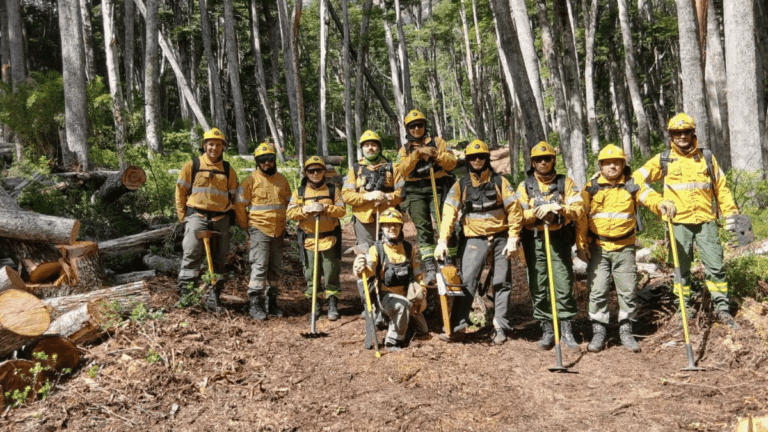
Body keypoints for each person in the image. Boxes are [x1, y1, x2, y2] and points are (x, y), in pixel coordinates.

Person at [634, 113, 740, 328]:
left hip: (706, 222)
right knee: (681, 268)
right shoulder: (663, 159)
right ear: (671, 136)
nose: (682, 136)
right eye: (676, 133)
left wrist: (733, 219)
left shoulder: (707, 157)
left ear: (693, 133)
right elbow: (635, 179)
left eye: (686, 132)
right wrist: (657, 201)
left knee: (716, 266)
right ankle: (684, 308)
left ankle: (722, 309)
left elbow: (722, 188)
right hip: (678, 223)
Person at [575, 145, 677, 352]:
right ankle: (599, 332)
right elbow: (581, 219)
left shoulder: (633, 185)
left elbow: (649, 197)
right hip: (598, 248)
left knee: (628, 290)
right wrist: (581, 244)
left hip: (625, 248)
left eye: (617, 162)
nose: (612, 166)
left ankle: (626, 331)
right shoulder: (590, 188)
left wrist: (662, 204)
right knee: (598, 290)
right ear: (601, 166)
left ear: (623, 164)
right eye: (607, 163)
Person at [434, 139, 523, 344]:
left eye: (481, 156)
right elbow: (448, 213)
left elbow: (515, 211)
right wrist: (442, 240)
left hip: (501, 237)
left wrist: (513, 238)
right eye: (473, 157)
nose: (477, 160)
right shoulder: (461, 184)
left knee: (502, 282)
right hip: (474, 238)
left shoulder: (501, 182)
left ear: (486, 159)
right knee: (468, 281)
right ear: (467, 160)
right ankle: (456, 326)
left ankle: (500, 326)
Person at [516, 141, 584, 350]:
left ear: (554, 160)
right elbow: (517, 214)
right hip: (534, 240)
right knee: (538, 283)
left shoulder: (566, 183)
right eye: (538, 159)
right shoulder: (525, 185)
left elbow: (579, 208)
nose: (543, 163)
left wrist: (560, 209)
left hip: (559, 239)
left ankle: (566, 328)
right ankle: (546, 328)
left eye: (547, 159)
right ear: (532, 162)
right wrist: (538, 212)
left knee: (563, 281)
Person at [174, 128, 238, 311]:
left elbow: (235, 196)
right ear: (204, 145)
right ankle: (187, 296)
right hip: (197, 216)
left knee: (219, 258)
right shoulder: (192, 165)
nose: (214, 148)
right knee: (191, 254)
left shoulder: (227, 169)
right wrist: (183, 217)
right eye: (210, 144)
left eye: (218, 145)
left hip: (221, 218)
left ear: (223, 148)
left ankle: (214, 296)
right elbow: (180, 192)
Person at [394, 109, 457, 285]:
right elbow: (401, 171)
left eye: (419, 125)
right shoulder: (404, 149)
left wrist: (436, 155)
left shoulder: (438, 142)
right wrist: (415, 156)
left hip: (438, 187)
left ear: (424, 126)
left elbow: (452, 163)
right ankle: (429, 264)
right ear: (407, 129)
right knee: (423, 228)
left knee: (445, 223)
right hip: (415, 190)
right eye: (412, 126)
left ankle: (448, 260)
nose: (416, 129)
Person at [353, 209, 428, 351]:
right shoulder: (377, 249)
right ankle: (393, 341)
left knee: (423, 330)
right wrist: (359, 268)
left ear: (401, 227)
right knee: (401, 306)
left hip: (406, 295)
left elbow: (417, 273)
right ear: (382, 227)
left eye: (395, 225)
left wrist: (422, 293)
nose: (392, 228)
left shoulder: (408, 248)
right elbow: (368, 270)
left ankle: (395, 321)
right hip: (385, 296)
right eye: (387, 225)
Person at [234, 143, 292, 320]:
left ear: (274, 160)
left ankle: (272, 301)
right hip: (259, 228)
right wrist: (247, 226)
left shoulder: (282, 180)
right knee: (259, 266)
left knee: (275, 267)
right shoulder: (249, 181)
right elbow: (239, 205)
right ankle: (255, 303)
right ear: (257, 162)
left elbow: (291, 204)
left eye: (270, 159)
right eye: (262, 160)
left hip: (279, 230)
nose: (267, 163)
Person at [287, 156, 347, 321]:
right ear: (306, 173)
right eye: (311, 170)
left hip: (329, 239)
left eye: (318, 170)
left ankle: (332, 302)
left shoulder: (333, 190)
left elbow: (342, 211)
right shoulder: (299, 192)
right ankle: (315, 303)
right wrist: (305, 210)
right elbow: (290, 213)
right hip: (309, 239)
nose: (315, 173)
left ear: (324, 172)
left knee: (330, 272)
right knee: (311, 273)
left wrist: (327, 208)